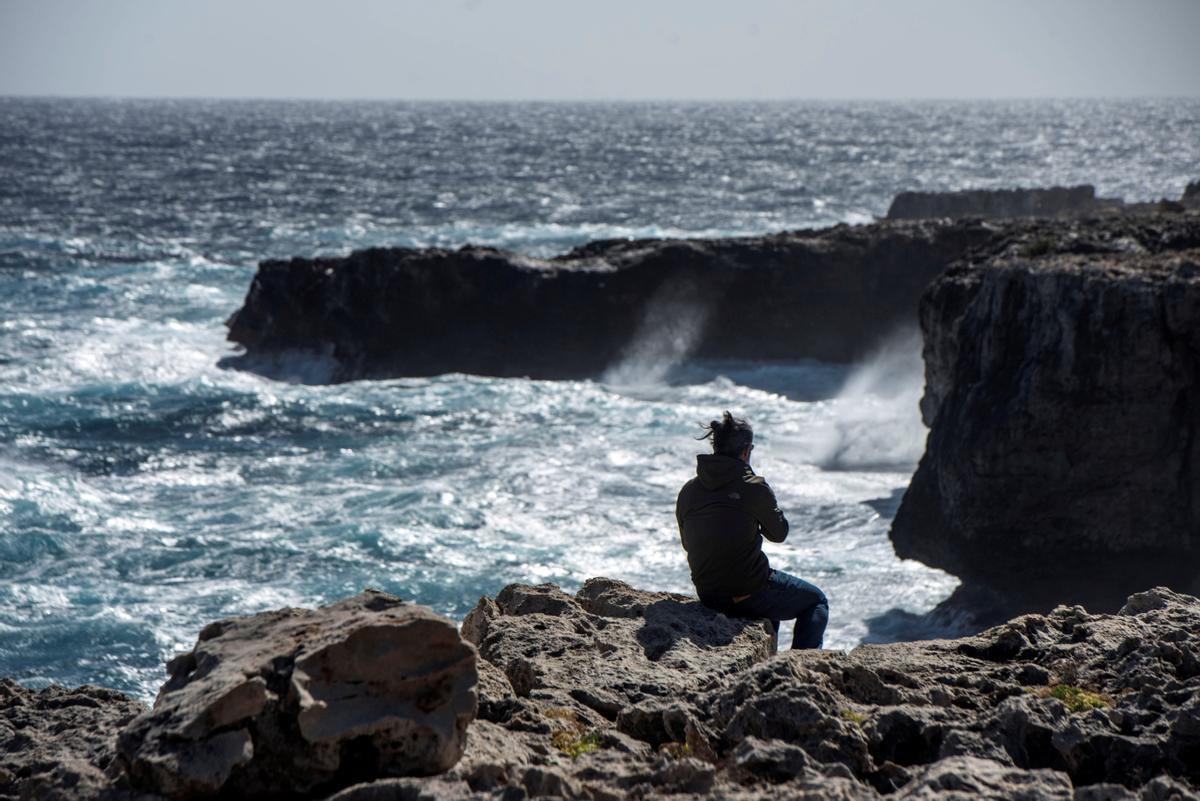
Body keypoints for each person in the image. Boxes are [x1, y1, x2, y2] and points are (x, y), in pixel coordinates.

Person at [675, 410, 828, 649]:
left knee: (769, 610)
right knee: (816, 601)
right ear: (746, 450)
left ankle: (768, 660)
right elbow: (779, 534)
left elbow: (688, 542)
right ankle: (803, 667)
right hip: (746, 591)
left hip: (708, 592)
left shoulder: (689, 490)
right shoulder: (753, 487)